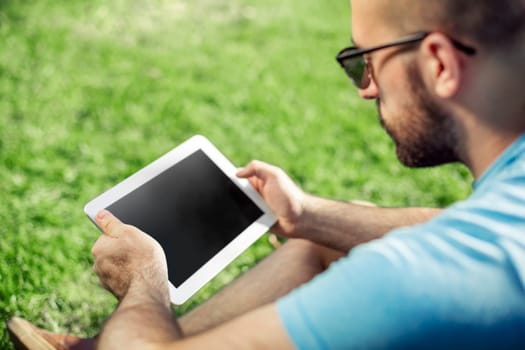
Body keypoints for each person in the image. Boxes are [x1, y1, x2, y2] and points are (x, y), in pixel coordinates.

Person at [7, 0, 525, 348]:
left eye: (363, 62)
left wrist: (145, 284)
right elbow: (462, 230)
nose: (365, 88)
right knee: (332, 237)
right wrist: (306, 216)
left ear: (438, 64)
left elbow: (440, 256)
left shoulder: (414, 278)